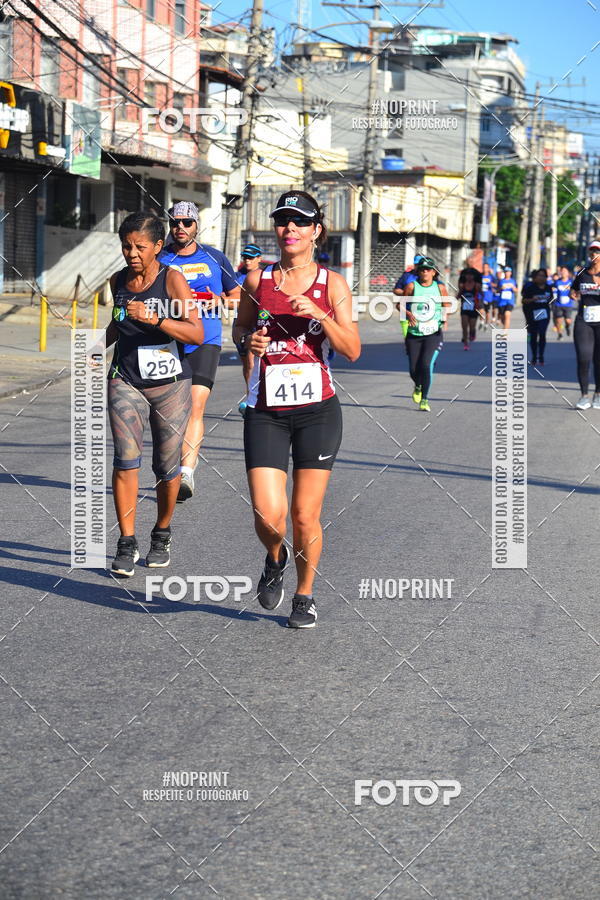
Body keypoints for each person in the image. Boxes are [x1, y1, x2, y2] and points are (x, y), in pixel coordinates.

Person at [232, 190, 360, 629]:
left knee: (305, 514)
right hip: (265, 410)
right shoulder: (258, 281)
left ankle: (304, 595)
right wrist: (247, 342)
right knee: (268, 515)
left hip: (317, 412)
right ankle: (275, 557)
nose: (290, 228)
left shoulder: (332, 284)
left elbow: (352, 349)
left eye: (300, 221)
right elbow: (240, 328)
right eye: (283, 220)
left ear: (316, 231)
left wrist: (321, 316)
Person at [103, 211, 204, 576]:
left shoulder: (172, 280)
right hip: (126, 378)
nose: (132, 253)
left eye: (140, 247)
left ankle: (161, 533)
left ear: (158, 246)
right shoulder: (117, 280)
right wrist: (94, 348)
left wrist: (156, 319)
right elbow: (117, 323)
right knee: (125, 459)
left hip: (170, 385)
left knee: (166, 466)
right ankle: (126, 541)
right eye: (126, 246)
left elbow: (196, 332)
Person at [159, 202, 240, 501]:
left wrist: (220, 301)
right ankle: (168, 468)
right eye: (175, 222)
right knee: (169, 411)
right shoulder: (160, 258)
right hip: (169, 341)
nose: (180, 227)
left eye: (187, 222)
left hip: (206, 339)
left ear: (196, 226)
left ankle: (186, 472)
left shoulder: (215, 258)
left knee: (195, 406)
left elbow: (237, 297)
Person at [401, 257, 453, 412]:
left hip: (433, 334)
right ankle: (418, 385)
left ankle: (424, 399)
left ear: (433, 272)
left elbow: (447, 305)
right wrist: (408, 313)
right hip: (414, 334)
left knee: (426, 365)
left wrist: (443, 318)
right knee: (413, 369)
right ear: (418, 272)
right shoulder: (412, 286)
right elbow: (400, 305)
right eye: (422, 269)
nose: (425, 272)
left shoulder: (440, 288)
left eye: (428, 270)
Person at [570, 240, 600, 409]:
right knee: (584, 357)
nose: (594, 254)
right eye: (592, 251)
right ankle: (584, 396)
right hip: (584, 319)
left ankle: (598, 394)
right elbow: (573, 289)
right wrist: (573, 294)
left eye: (597, 251)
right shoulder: (582, 272)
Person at [234, 245, 262, 414]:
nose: (247, 260)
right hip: (240, 324)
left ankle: (254, 401)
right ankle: (250, 395)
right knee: (246, 364)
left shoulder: (263, 276)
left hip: (258, 323)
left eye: (251, 257)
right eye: (245, 257)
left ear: (259, 258)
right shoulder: (236, 277)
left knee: (252, 363)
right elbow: (229, 298)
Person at [522, 268, 553, 366]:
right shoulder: (530, 287)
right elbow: (524, 300)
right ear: (535, 277)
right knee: (534, 335)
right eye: (539, 275)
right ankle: (534, 356)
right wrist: (532, 299)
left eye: (543, 276)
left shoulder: (548, 287)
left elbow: (551, 299)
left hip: (544, 313)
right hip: (532, 313)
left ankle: (541, 356)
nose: (541, 277)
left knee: (542, 333)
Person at [458, 269, 482, 350]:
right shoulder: (463, 285)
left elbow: (481, 294)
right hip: (464, 308)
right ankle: (466, 343)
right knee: (464, 326)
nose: (469, 277)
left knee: (472, 326)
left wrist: (479, 303)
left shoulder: (476, 285)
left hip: (473, 308)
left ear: (474, 276)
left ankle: (472, 333)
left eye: (471, 275)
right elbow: (459, 294)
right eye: (467, 275)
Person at [552, 265, 573, 339]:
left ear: (568, 273)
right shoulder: (557, 282)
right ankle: (560, 334)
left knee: (568, 321)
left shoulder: (571, 282)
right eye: (562, 271)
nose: (563, 272)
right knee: (558, 320)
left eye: (565, 271)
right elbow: (553, 289)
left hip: (568, 304)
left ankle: (567, 326)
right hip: (558, 304)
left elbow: (575, 291)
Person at [480, 262, 496, 329]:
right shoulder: (480, 276)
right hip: (481, 296)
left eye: (486, 267)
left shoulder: (491, 276)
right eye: (484, 267)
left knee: (487, 312)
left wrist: (492, 286)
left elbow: (496, 285)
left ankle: (486, 324)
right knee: (481, 310)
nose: (485, 269)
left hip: (489, 297)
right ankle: (481, 321)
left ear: (488, 268)